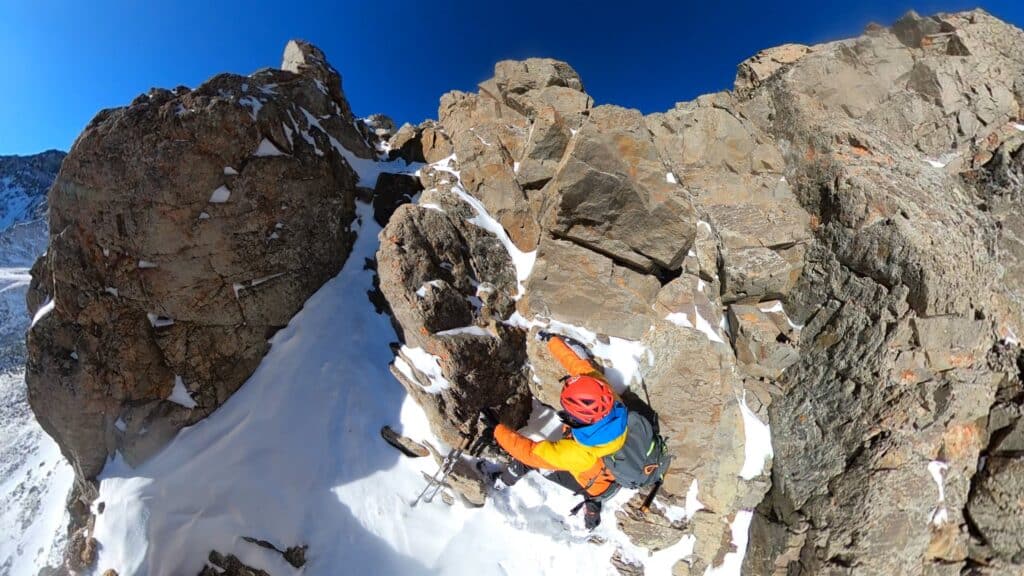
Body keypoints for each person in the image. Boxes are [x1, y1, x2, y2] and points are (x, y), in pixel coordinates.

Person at [481, 331, 628, 530]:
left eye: (570, 412)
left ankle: (503, 481)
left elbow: (530, 453)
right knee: (591, 482)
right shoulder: (608, 399)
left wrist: (497, 430)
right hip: (613, 471)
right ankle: (592, 512)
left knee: (527, 463)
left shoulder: (577, 453)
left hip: (595, 481)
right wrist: (552, 342)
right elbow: (579, 367)